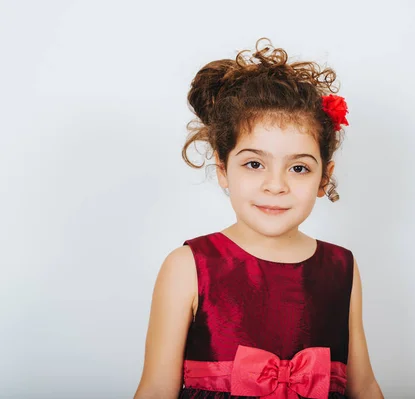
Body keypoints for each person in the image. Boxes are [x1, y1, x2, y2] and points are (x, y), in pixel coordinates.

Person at [134, 37, 384, 399]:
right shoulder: (188, 266)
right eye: (254, 164)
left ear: (323, 179)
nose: (276, 185)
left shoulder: (342, 267)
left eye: (298, 167)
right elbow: (157, 388)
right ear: (223, 169)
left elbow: (364, 386)